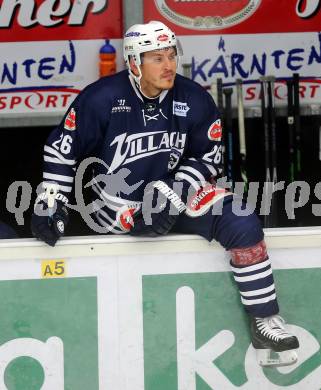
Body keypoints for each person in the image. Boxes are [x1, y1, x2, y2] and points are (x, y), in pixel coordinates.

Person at [31, 21, 299, 366]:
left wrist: (174, 192)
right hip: (118, 204)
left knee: (242, 220)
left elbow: (209, 156)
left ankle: (265, 318)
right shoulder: (102, 98)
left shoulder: (194, 98)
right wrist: (51, 200)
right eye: (157, 58)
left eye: (172, 55)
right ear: (134, 63)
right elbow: (61, 150)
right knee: (135, 221)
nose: (169, 65)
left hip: (175, 194)